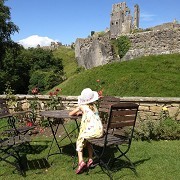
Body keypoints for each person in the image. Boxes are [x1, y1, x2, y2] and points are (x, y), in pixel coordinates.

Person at [69, 88, 103, 174]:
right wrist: (83, 113)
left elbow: (70, 114)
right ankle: (90, 159)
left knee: (79, 140)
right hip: (100, 131)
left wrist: (78, 112)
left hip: (92, 132)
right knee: (88, 141)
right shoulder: (94, 107)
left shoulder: (82, 106)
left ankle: (81, 162)